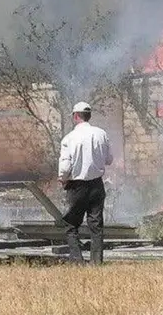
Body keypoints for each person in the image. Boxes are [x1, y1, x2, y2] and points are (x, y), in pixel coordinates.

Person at [58, 102, 113, 265]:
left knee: (70, 224)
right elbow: (109, 159)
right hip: (97, 185)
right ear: (89, 116)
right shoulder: (101, 134)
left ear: (75, 116)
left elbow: (65, 165)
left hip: (77, 186)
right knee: (96, 225)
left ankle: (78, 261)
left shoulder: (69, 138)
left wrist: (62, 177)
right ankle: (96, 262)